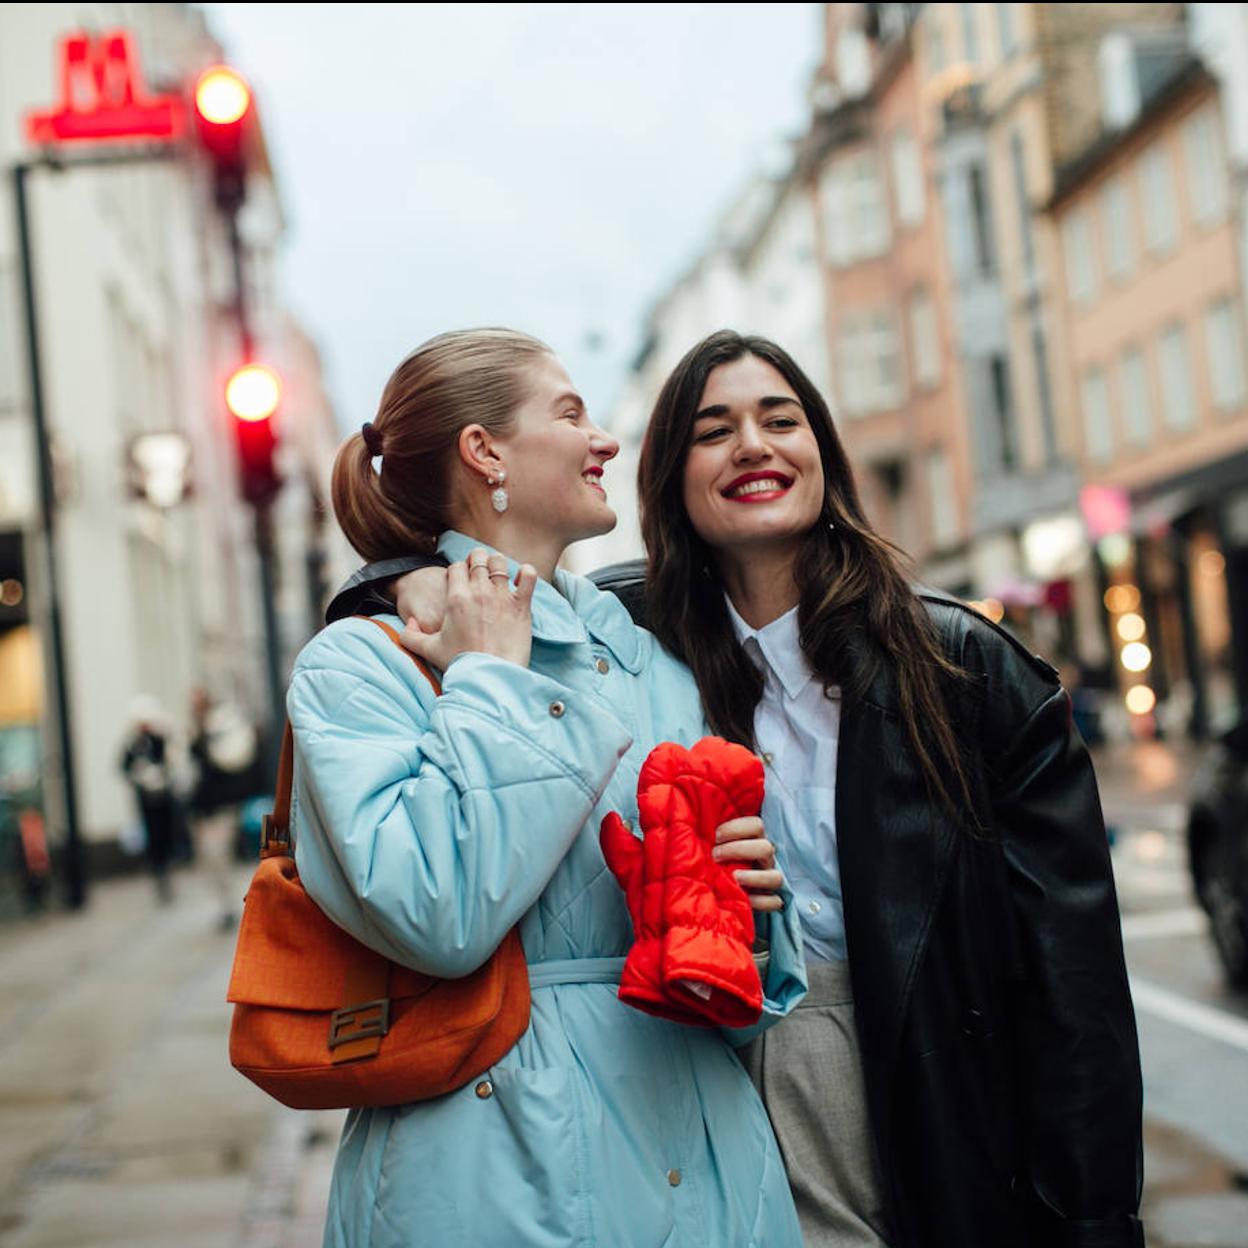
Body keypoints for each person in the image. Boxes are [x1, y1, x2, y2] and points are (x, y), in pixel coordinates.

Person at [336, 329, 1146, 1248]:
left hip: (922, 1091)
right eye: (715, 430)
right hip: (691, 1078)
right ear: (672, 476)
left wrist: (1093, 1215)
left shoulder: (965, 670)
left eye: (781, 419)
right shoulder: (633, 640)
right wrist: (408, 582)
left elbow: (1076, 990)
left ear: (823, 452)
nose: (754, 446)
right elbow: (492, 587)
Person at [291, 328, 806, 1248]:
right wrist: (495, 682)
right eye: (570, 414)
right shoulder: (363, 666)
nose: (606, 440)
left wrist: (744, 915)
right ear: (485, 451)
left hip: (709, 1161)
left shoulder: (649, 658)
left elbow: (730, 993)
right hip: (501, 1168)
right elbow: (435, 912)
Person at [119, 696, 181, 903]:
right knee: (153, 837)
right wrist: (139, 774)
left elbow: (172, 760)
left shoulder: (160, 740)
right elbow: (123, 767)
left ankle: (168, 869)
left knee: (166, 834)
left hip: (162, 798)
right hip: (146, 801)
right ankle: (159, 873)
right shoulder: (132, 744)